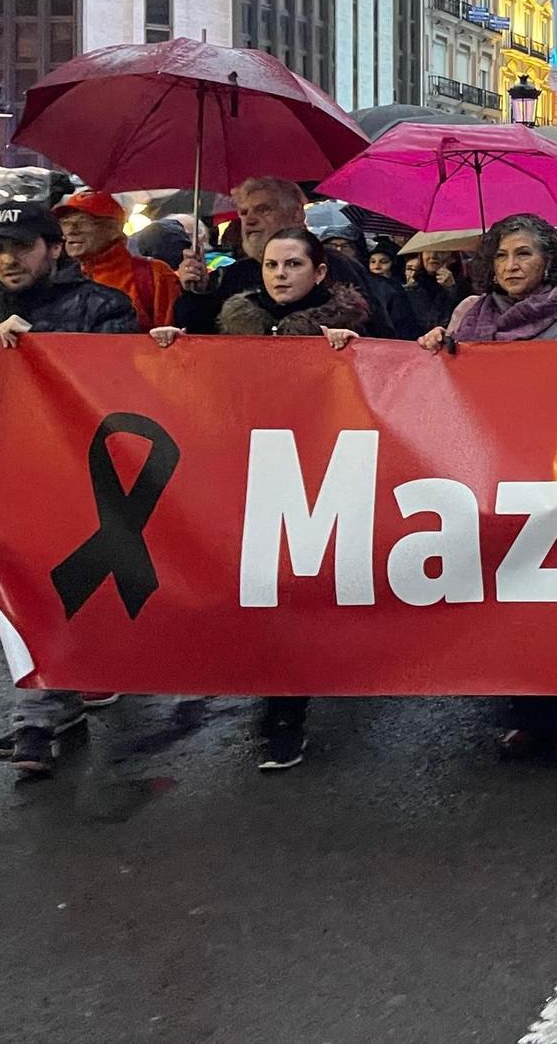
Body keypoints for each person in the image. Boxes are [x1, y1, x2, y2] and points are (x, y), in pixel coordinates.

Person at [149, 228, 369, 772]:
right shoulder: (233, 318)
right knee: (265, 589)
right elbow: (190, 368)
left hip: (323, 471)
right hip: (250, 470)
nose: (280, 274)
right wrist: (180, 321)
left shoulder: (357, 322)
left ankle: (286, 711)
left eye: (293, 264)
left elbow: (401, 371)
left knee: (299, 588)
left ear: (319, 273)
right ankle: (278, 703)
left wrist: (356, 352)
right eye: (272, 264)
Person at [418, 214, 557, 764]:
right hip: (496, 473)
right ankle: (526, 714)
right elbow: (449, 387)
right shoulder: (471, 314)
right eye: (502, 256)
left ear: (549, 261)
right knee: (510, 598)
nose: (511, 266)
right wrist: (437, 346)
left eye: (523, 255)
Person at [0, 204, 140, 777]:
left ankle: (38, 715)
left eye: (20, 246)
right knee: (24, 595)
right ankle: (46, 706)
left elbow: (119, 394)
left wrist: (36, 351)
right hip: (5, 487)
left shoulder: (104, 308)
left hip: (83, 485)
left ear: (54, 248)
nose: (8, 259)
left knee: (64, 592)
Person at [174, 177, 414, 339]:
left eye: (263, 209)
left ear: (296, 214)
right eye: (244, 212)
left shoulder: (337, 266)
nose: (250, 220)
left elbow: (381, 338)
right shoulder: (233, 274)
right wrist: (197, 292)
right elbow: (201, 339)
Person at [52, 190, 181, 332]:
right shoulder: (56, 278)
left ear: (114, 229)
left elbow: (170, 339)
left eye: (83, 222)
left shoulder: (154, 274)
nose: (71, 231)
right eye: (65, 223)